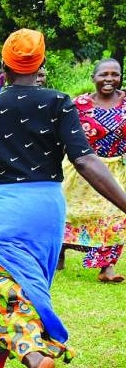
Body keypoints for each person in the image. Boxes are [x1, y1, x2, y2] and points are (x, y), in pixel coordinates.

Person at [0, 29, 126, 368]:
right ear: (41, 64)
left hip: (3, 211)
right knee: (23, 292)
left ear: (4, 65)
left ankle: (34, 361)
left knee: (0, 293)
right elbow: (86, 161)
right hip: (47, 208)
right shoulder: (59, 103)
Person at [60, 58, 126, 282]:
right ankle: (59, 252)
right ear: (93, 78)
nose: (109, 79)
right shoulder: (78, 105)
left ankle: (107, 268)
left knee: (116, 216)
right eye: (104, 74)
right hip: (80, 171)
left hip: (115, 170)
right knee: (71, 214)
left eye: (115, 74)